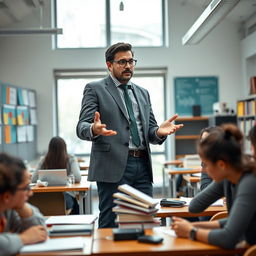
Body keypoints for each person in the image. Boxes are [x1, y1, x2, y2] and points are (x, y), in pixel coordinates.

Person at [76, 42, 183, 228]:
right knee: (110, 220)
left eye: (131, 61)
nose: (128, 66)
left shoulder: (143, 93)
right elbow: (81, 126)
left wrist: (158, 132)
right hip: (112, 165)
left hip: (142, 165)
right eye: (122, 62)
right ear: (109, 65)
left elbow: (150, 131)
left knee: (145, 220)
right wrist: (94, 129)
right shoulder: (95, 89)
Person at [171, 124, 256, 249]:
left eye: (207, 165)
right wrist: (194, 227)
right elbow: (195, 206)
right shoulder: (230, 175)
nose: (204, 171)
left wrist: (191, 231)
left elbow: (228, 238)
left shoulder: (249, 183)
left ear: (221, 165)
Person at [0, 153, 47, 255]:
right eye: (26, 188)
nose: (31, 193)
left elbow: (40, 232)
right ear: (7, 196)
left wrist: (21, 206)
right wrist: (24, 238)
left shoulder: (8, 210)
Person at [32, 136, 81, 214]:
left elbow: (33, 179)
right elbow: (78, 178)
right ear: (64, 147)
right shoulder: (71, 159)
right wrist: (67, 179)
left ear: (50, 148)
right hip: (65, 199)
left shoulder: (44, 160)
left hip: (44, 200)